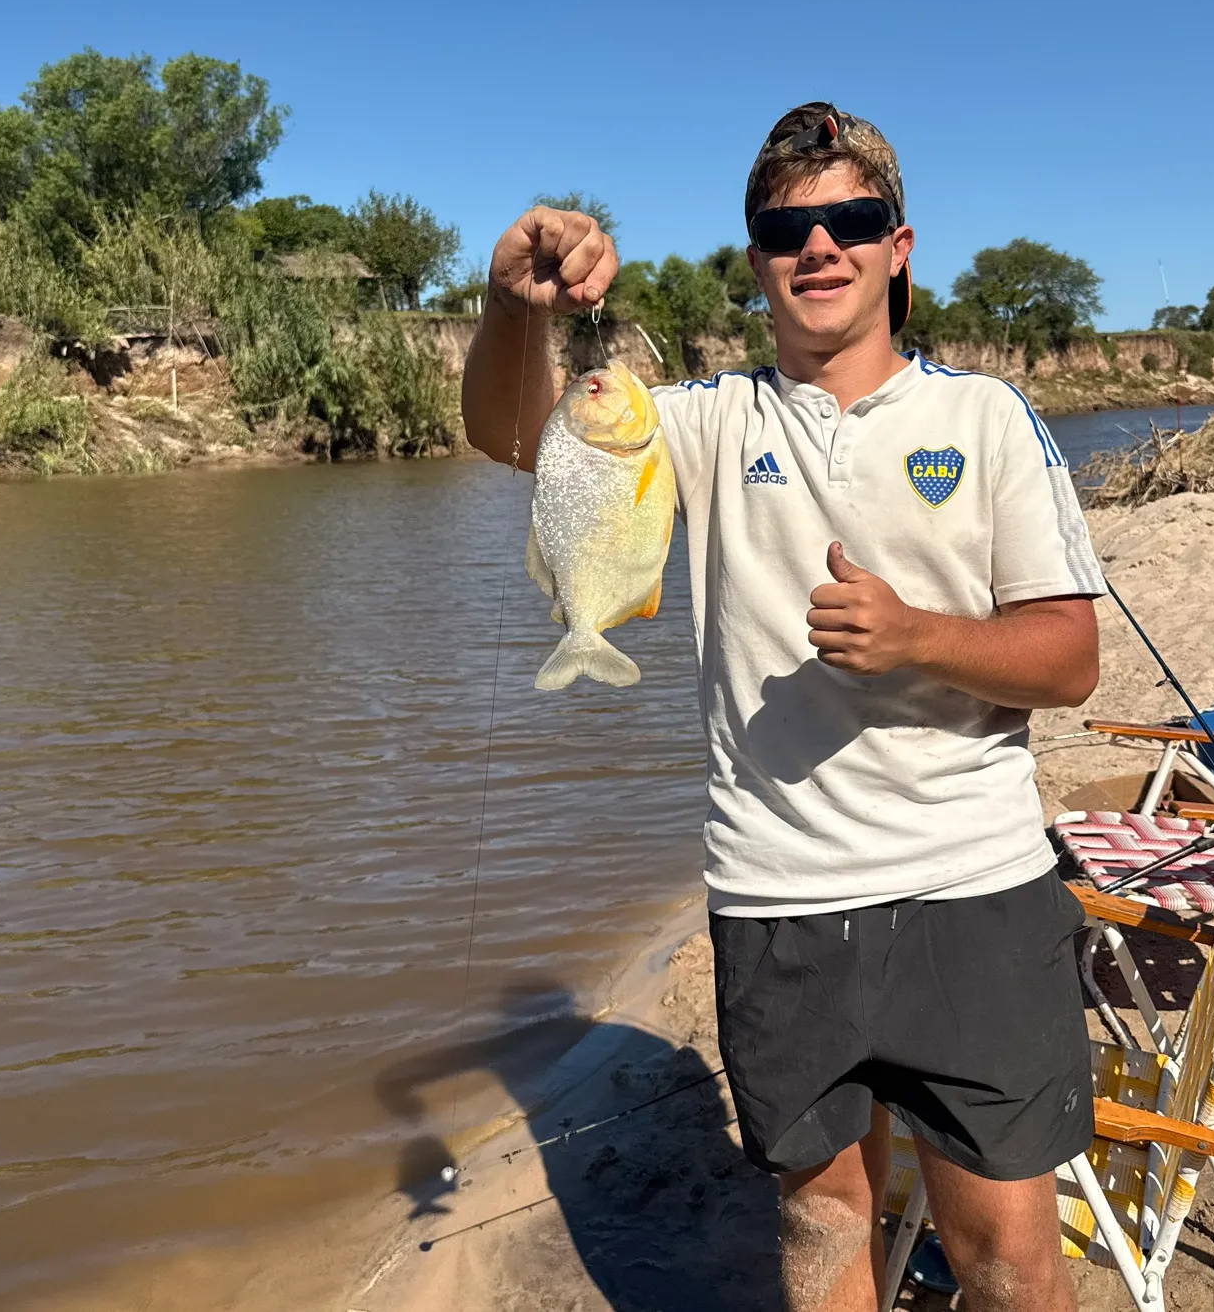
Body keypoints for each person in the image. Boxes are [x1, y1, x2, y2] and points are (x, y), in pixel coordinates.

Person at [461, 102, 1104, 1312]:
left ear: (899, 248)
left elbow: (1071, 659)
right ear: (756, 255)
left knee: (1010, 1262)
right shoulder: (699, 420)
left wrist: (917, 635)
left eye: (850, 220)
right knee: (820, 1234)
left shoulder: (988, 420)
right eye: (785, 227)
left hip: (974, 881)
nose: (820, 247)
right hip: (778, 895)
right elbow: (509, 438)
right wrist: (515, 306)